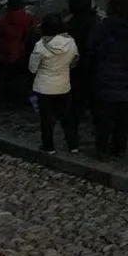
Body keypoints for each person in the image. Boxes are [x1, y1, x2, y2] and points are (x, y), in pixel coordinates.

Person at [89, 0, 128, 161]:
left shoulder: (102, 27)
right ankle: (119, 148)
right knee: (122, 118)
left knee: (104, 117)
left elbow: (92, 50)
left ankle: (102, 149)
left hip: (104, 77)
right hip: (125, 78)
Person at [28, 14, 80, 154]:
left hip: (44, 88)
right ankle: (73, 145)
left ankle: (48, 146)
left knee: (46, 120)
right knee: (66, 118)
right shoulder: (70, 42)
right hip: (64, 85)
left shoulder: (39, 46)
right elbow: (74, 61)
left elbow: (32, 68)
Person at [65, 0, 99, 138]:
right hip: (92, 69)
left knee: (75, 105)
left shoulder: (68, 25)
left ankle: (72, 134)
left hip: (74, 69)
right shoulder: (95, 24)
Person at [0, 0, 37, 107]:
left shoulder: (2, 21)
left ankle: (2, 100)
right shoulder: (28, 18)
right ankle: (21, 99)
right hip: (22, 52)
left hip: (6, 53)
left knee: (4, 77)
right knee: (22, 77)